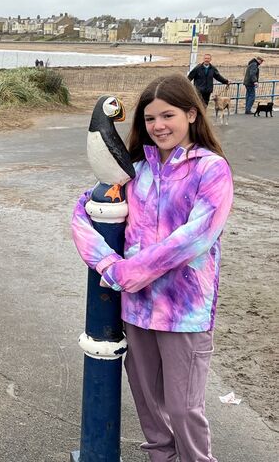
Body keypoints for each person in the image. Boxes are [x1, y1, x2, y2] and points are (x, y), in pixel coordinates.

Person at [71, 74, 233, 462]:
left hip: (184, 314)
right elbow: (83, 212)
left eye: (168, 115)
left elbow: (196, 237)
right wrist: (109, 264)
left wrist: (131, 272)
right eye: (149, 119)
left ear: (192, 114)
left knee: (183, 409)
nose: (159, 126)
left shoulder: (211, 169)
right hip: (138, 310)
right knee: (148, 405)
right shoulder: (136, 171)